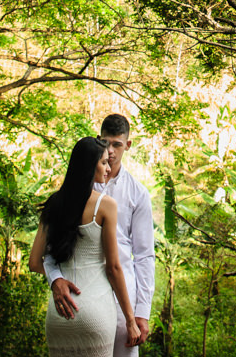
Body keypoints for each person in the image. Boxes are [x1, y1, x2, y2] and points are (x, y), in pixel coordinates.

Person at [45, 115, 154, 356]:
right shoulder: (76, 189)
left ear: (128, 145)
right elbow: (52, 248)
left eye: (117, 144)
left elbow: (144, 255)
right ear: (98, 140)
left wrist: (141, 312)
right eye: (106, 143)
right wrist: (55, 279)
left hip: (124, 296)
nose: (111, 151)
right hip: (82, 295)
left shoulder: (138, 193)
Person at [29, 137, 140, 356]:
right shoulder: (105, 205)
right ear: (89, 166)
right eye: (103, 163)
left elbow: (34, 262)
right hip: (95, 313)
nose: (108, 168)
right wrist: (130, 319)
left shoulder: (53, 204)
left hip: (59, 315)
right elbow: (113, 268)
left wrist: (56, 279)